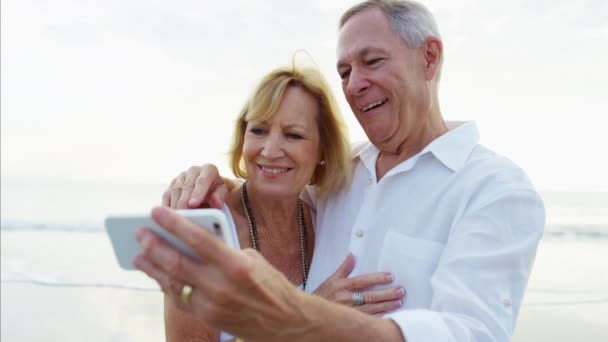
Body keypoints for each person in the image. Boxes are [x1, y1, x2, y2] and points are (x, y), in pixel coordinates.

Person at [135, 1, 545, 341]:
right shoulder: (340, 175)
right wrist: (212, 182)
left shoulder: (494, 189)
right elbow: (271, 190)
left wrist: (303, 315)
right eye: (345, 72)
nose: (353, 85)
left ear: (429, 57)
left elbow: (473, 333)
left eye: (372, 61)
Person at [150, 65, 406, 342]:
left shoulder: (324, 218)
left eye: (293, 135)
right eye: (258, 130)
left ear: (322, 149)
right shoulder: (204, 234)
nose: (270, 151)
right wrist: (314, 317)